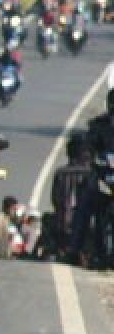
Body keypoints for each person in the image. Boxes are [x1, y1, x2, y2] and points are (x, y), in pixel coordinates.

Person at [70, 90, 114, 266]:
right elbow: (87, 148)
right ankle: (75, 248)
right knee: (85, 205)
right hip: (103, 176)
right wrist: (92, 159)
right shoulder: (98, 125)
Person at [47, 133, 90, 260]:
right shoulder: (92, 173)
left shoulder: (61, 173)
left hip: (62, 226)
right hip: (84, 228)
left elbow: (54, 199)